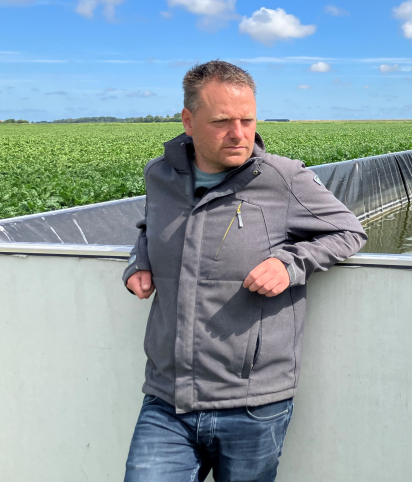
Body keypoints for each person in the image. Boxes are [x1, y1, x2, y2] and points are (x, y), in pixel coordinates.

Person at [121, 60, 367, 482]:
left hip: (254, 403)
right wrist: (138, 259)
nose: (238, 133)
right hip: (167, 398)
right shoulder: (159, 175)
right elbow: (150, 226)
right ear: (188, 120)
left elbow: (349, 231)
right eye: (221, 122)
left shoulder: (281, 177)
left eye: (247, 120)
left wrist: (290, 263)